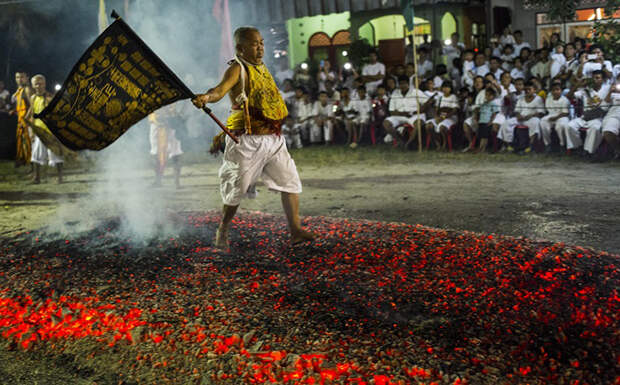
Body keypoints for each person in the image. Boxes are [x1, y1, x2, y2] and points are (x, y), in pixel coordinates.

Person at [192, 26, 315, 247]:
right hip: (246, 141)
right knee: (235, 190)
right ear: (240, 48)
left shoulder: (262, 67)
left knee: (290, 182)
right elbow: (219, 90)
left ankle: (296, 231)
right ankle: (224, 228)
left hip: (274, 139)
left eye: (262, 43)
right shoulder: (236, 69)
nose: (260, 48)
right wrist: (207, 97)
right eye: (254, 43)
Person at [563, 70, 611, 156]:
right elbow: (568, 96)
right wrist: (578, 84)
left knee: (595, 129)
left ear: (603, 80)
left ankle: (588, 151)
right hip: (584, 116)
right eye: (593, 78)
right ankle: (577, 147)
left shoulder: (607, 89)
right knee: (569, 126)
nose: (594, 80)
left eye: (597, 78)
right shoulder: (586, 90)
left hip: (598, 118)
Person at [26, 74, 63, 184]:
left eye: (41, 83)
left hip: (50, 131)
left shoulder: (49, 98)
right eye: (36, 84)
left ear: (45, 84)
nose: (39, 86)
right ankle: (36, 178)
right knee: (36, 155)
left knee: (55, 154)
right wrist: (31, 131)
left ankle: (60, 177)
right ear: (33, 85)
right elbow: (32, 114)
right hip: (39, 130)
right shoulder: (33, 98)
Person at [383, 75, 431, 148]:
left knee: (418, 124)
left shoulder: (416, 92)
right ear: (398, 84)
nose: (402, 85)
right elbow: (392, 111)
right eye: (401, 84)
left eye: (404, 83)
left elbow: (429, 101)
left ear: (408, 83)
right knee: (386, 123)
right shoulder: (395, 93)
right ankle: (400, 141)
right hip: (399, 115)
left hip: (414, 115)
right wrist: (403, 114)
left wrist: (422, 108)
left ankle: (408, 143)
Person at [148, 105, 183, 188]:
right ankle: (157, 181)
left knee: (176, 154)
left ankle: (177, 183)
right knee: (155, 153)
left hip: (171, 125)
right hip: (156, 124)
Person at [11, 71, 33, 169]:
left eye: (22, 77)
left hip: (27, 120)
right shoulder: (19, 90)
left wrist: (26, 119)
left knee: (28, 141)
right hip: (21, 119)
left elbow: (33, 106)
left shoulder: (28, 89)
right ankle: (22, 159)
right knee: (21, 139)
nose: (19, 79)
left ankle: (31, 163)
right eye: (17, 77)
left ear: (27, 78)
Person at [540, 82, 570, 152]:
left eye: (557, 89)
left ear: (561, 91)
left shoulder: (565, 100)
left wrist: (556, 118)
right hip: (551, 115)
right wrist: (552, 117)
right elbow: (549, 110)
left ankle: (562, 144)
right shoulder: (549, 98)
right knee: (543, 122)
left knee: (560, 126)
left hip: (562, 116)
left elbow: (565, 113)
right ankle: (548, 144)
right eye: (553, 90)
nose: (555, 92)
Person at [475, 88, 500, 153]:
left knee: (485, 137)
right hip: (481, 121)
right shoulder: (484, 104)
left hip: (487, 122)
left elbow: (494, 113)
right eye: (486, 95)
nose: (487, 96)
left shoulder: (493, 104)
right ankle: (480, 148)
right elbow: (480, 112)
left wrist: (491, 121)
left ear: (493, 96)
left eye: (489, 95)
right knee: (481, 136)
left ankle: (482, 149)